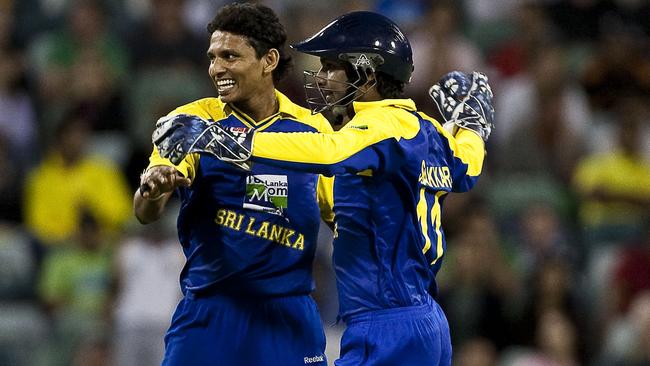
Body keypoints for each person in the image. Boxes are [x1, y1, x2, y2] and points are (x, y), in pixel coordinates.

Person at [153, 11, 494, 366]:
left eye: (332, 67)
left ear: (366, 74)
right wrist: (472, 124)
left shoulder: (378, 128)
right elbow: (466, 168)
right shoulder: (429, 131)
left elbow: (329, 153)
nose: (323, 77)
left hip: (385, 325)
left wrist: (227, 141)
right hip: (426, 320)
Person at [134, 3, 332, 365]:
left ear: (268, 60)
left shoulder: (314, 130)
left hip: (287, 318)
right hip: (211, 314)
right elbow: (146, 211)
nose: (217, 68)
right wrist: (154, 188)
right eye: (212, 57)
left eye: (230, 56)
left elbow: (339, 213)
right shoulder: (192, 120)